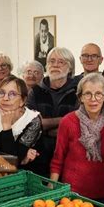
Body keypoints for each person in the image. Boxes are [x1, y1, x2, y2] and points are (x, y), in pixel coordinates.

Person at [50, 73, 104, 202]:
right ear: (80, 97)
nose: (93, 99)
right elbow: (58, 158)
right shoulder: (68, 122)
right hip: (73, 193)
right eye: (87, 94)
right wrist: (52, 188)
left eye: (98, 94)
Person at [26, 47, 78, 176]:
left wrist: (46, 126)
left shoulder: (78, 91)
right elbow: (32, 124)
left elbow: (78, 125)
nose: (55, 65)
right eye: (52, 61)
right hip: (39, 157)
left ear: (70, 67)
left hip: (69, 156)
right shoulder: (35, 92)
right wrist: (64, 120)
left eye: (61, 62)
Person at [0, 75, 47, 175]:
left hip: (30, 175)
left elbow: (11, 162)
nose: (5, 98)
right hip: (0, 173)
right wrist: (21, 155)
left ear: (22, 101)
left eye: (12, 94)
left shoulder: (32, 120)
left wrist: (6, 127)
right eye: (2, 93)